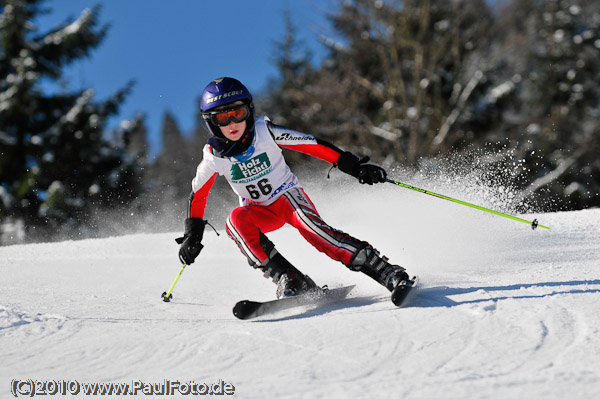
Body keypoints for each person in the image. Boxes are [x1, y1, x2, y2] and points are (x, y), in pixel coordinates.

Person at [176, 77, 410, 300]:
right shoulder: (213, 158)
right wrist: (192, 235)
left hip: (288, 199)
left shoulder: (265, 133)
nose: (232, 123)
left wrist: (353, 166)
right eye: (222, 118)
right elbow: (199, 194)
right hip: (259, 211)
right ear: (211, 123)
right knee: (234, 222)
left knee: (315, 232)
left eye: (238, 114)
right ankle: (289, 279)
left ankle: (385, 271)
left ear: (249, 110)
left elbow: (311, 145)